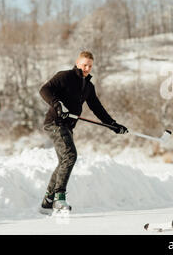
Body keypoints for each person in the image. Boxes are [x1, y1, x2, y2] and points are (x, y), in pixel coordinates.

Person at [38, 51, 128, 214]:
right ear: (77, 63)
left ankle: (47, 201)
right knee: (70, 155)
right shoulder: (64, 76)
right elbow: (44, 90)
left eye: (90, 66)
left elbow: (97, 108)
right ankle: (59, 198)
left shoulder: (88, 86)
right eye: (85, 64)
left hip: (67, 126)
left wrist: (113, 125)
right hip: (55, 123)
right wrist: (57, 104)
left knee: (64, 161)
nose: (87, 68)